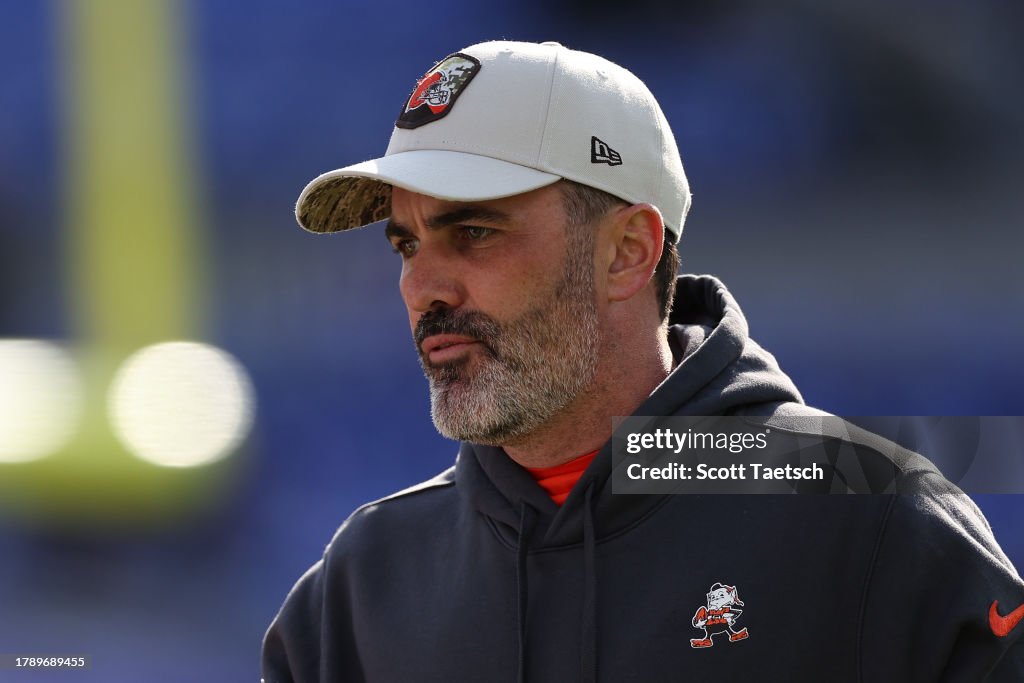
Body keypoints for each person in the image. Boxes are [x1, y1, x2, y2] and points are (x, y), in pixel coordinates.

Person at [262, 40, 1024, 682]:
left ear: (628, 252)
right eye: (405, 244)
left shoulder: (871, 523)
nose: (420, 288)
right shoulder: (359, 590)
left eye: (474, 234)